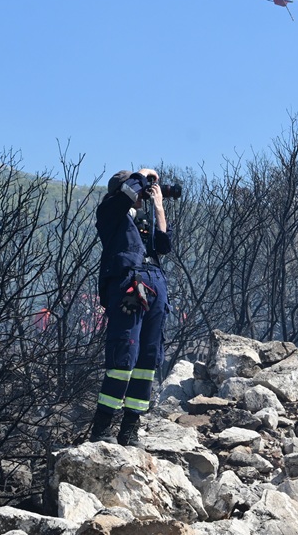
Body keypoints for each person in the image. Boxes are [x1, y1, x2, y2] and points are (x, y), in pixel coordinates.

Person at [87, 168, 173, 447]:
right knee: (124, 355)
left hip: (155, 285)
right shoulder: (110, 212)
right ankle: (102, 427)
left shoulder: (140, 223)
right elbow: (127, 193)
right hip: (128, 286)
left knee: (147, 360)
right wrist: (142, 173)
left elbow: (164, 245)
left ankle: (130, 429)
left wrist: (159, 207)